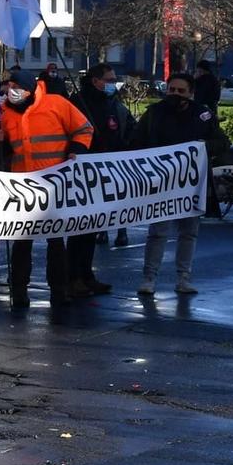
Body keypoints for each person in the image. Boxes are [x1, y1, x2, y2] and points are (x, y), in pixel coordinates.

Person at [0, 68, 92, 308]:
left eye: (17, 87)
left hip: (54, 184)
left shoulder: (56, 104)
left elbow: (84, 128)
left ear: (30, 89)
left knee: (56, 241)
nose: (12, 91)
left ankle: (58, 290)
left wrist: (76, 152)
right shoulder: (6, 113)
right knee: (21, 240)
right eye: (10, 86)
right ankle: (19, 290)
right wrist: (0, 142)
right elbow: (11, 148)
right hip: (22, 186)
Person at [132, 71, 230, 297]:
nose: (175, 95)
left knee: (189, 232)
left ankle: (183, 278)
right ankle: (149, 279)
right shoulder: (154, 114)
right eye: (171, 90)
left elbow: (222, 142)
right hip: (162, 185)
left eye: (181, 91)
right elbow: (137, 141)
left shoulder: (202, 115)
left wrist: (202, 146)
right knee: (158, 232)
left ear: (191, 94)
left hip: (191, 185)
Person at [68, 63, 134, 297]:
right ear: (96, 80)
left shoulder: (113, 102)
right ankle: (73, 277)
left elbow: (126, 129)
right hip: (84, 174)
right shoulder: (79, 102)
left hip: (107, 171)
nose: (112, 83)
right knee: (79, 229)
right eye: (109, 79)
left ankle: (87, 275)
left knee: (92, 228)